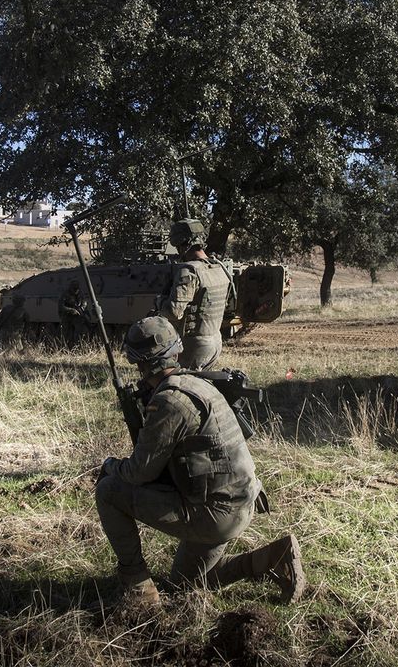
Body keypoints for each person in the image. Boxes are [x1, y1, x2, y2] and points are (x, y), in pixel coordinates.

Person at [95, 316, 305, 612]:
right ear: (176, 353)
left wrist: (110, 465)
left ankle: (138, 586)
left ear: (140, 363)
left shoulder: (170, 402)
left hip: (217, 513)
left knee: (108, 490)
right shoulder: (197, 384)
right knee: (184, 582)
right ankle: (274, 557)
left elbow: (140, 473)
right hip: (240, 503)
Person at [159, 219, 233, 370]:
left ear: (182, 245)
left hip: (194, 346)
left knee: (181, 388)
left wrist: (160, 302)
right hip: (215, 341)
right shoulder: (219, 268)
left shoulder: (189, 271)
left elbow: (174, 312)